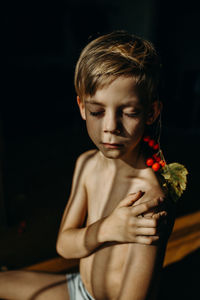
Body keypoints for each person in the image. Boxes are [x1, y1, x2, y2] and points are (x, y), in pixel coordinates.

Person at [0, 31, 174, 300]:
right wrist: (108, 228)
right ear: (82, 107)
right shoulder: (87, 164)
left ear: (151, 112)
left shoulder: (149, 201)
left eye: (129, 112)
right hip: (79, 288)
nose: (110, 127)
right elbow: (64, 246)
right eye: (97, 111)